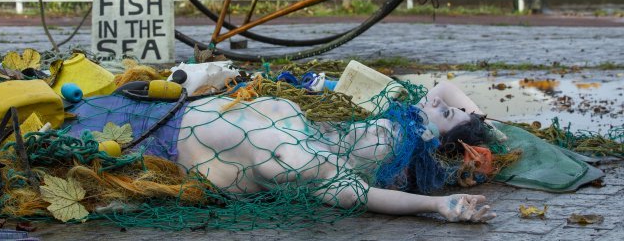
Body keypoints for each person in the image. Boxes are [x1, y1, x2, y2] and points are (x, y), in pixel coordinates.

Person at [173, 80, 498, 223]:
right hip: (164, 108)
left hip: (159, 144)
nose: (373, 125)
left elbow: (369, 197)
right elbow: (442, 89)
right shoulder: (326, 123)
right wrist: (487, 124)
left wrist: (437, 204)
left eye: (444, 113)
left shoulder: (322, 169)